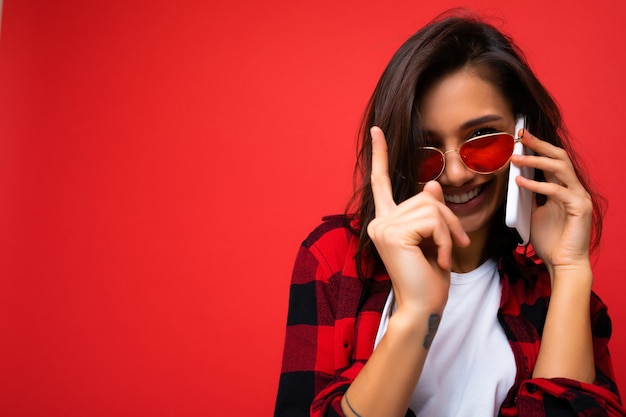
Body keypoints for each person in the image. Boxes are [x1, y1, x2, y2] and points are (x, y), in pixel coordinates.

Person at [274, 10, 625, 417]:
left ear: (523, 140)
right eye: (426, 152)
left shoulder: (556, 296)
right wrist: (417, 312)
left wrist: (568, 269)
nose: (456, 173)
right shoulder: (336, 261)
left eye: (482, 138)